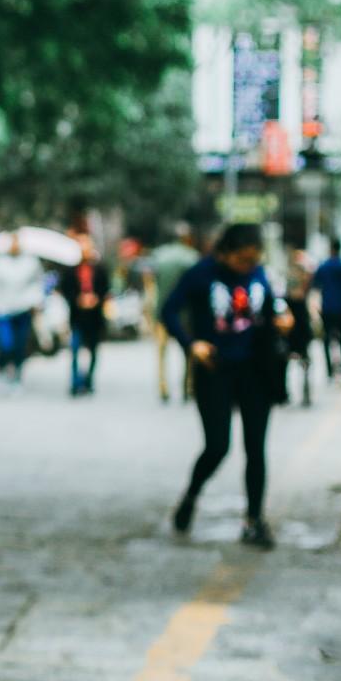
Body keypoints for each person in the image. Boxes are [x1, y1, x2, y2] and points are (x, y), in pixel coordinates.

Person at [163, 223, 294, 550]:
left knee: (255, 448)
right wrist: (191, 344)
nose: (248, 266)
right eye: (242, 259)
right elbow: (168, 311)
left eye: (253, 259)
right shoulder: (200, 274)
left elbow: (273, 307)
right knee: (218, 446)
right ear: (224, 253)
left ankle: (254, 520)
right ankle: (191, 496)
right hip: (215, 369)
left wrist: (284, 318)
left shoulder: (259, 274)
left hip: (255, 371)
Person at [146, 223, 201, 405]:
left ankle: (163, 388)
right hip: (185, 315)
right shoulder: (191, 257)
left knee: (161, 354)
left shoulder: (159, 256)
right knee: (188, 351)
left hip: (161, 312)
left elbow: (150, 286)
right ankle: (189, 387)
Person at [0, 232, 43, 390]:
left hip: (23, 309)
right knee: (6, 344)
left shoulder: (31, 262)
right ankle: (3, 372)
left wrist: (36, 303)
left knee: (20, 345)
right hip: (3, 310)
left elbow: (38, 284)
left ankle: (17, 376)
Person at [58, 234, 109, 396]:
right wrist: (77, 299)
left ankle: (88, 380)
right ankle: (75, 383)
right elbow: (65, 290)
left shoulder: (100, 269)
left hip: (94, 317)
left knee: (93, 351)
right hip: (77, 316)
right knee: (74, 350)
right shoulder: (70, 271)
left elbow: (105, 289)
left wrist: (96, 299)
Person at [312, 242, 341, 384]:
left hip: (327, 308)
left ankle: (329, 372)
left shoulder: (323, 266)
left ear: (330, 249)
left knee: (326, 340)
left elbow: (315, 286)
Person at [282, 253, 317, 407]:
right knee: (292, 362)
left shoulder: (294, 300)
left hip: (297, 330)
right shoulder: (294, 300)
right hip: (294, 330)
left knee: (300, 363)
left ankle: (298, 393)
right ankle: (286, 392)